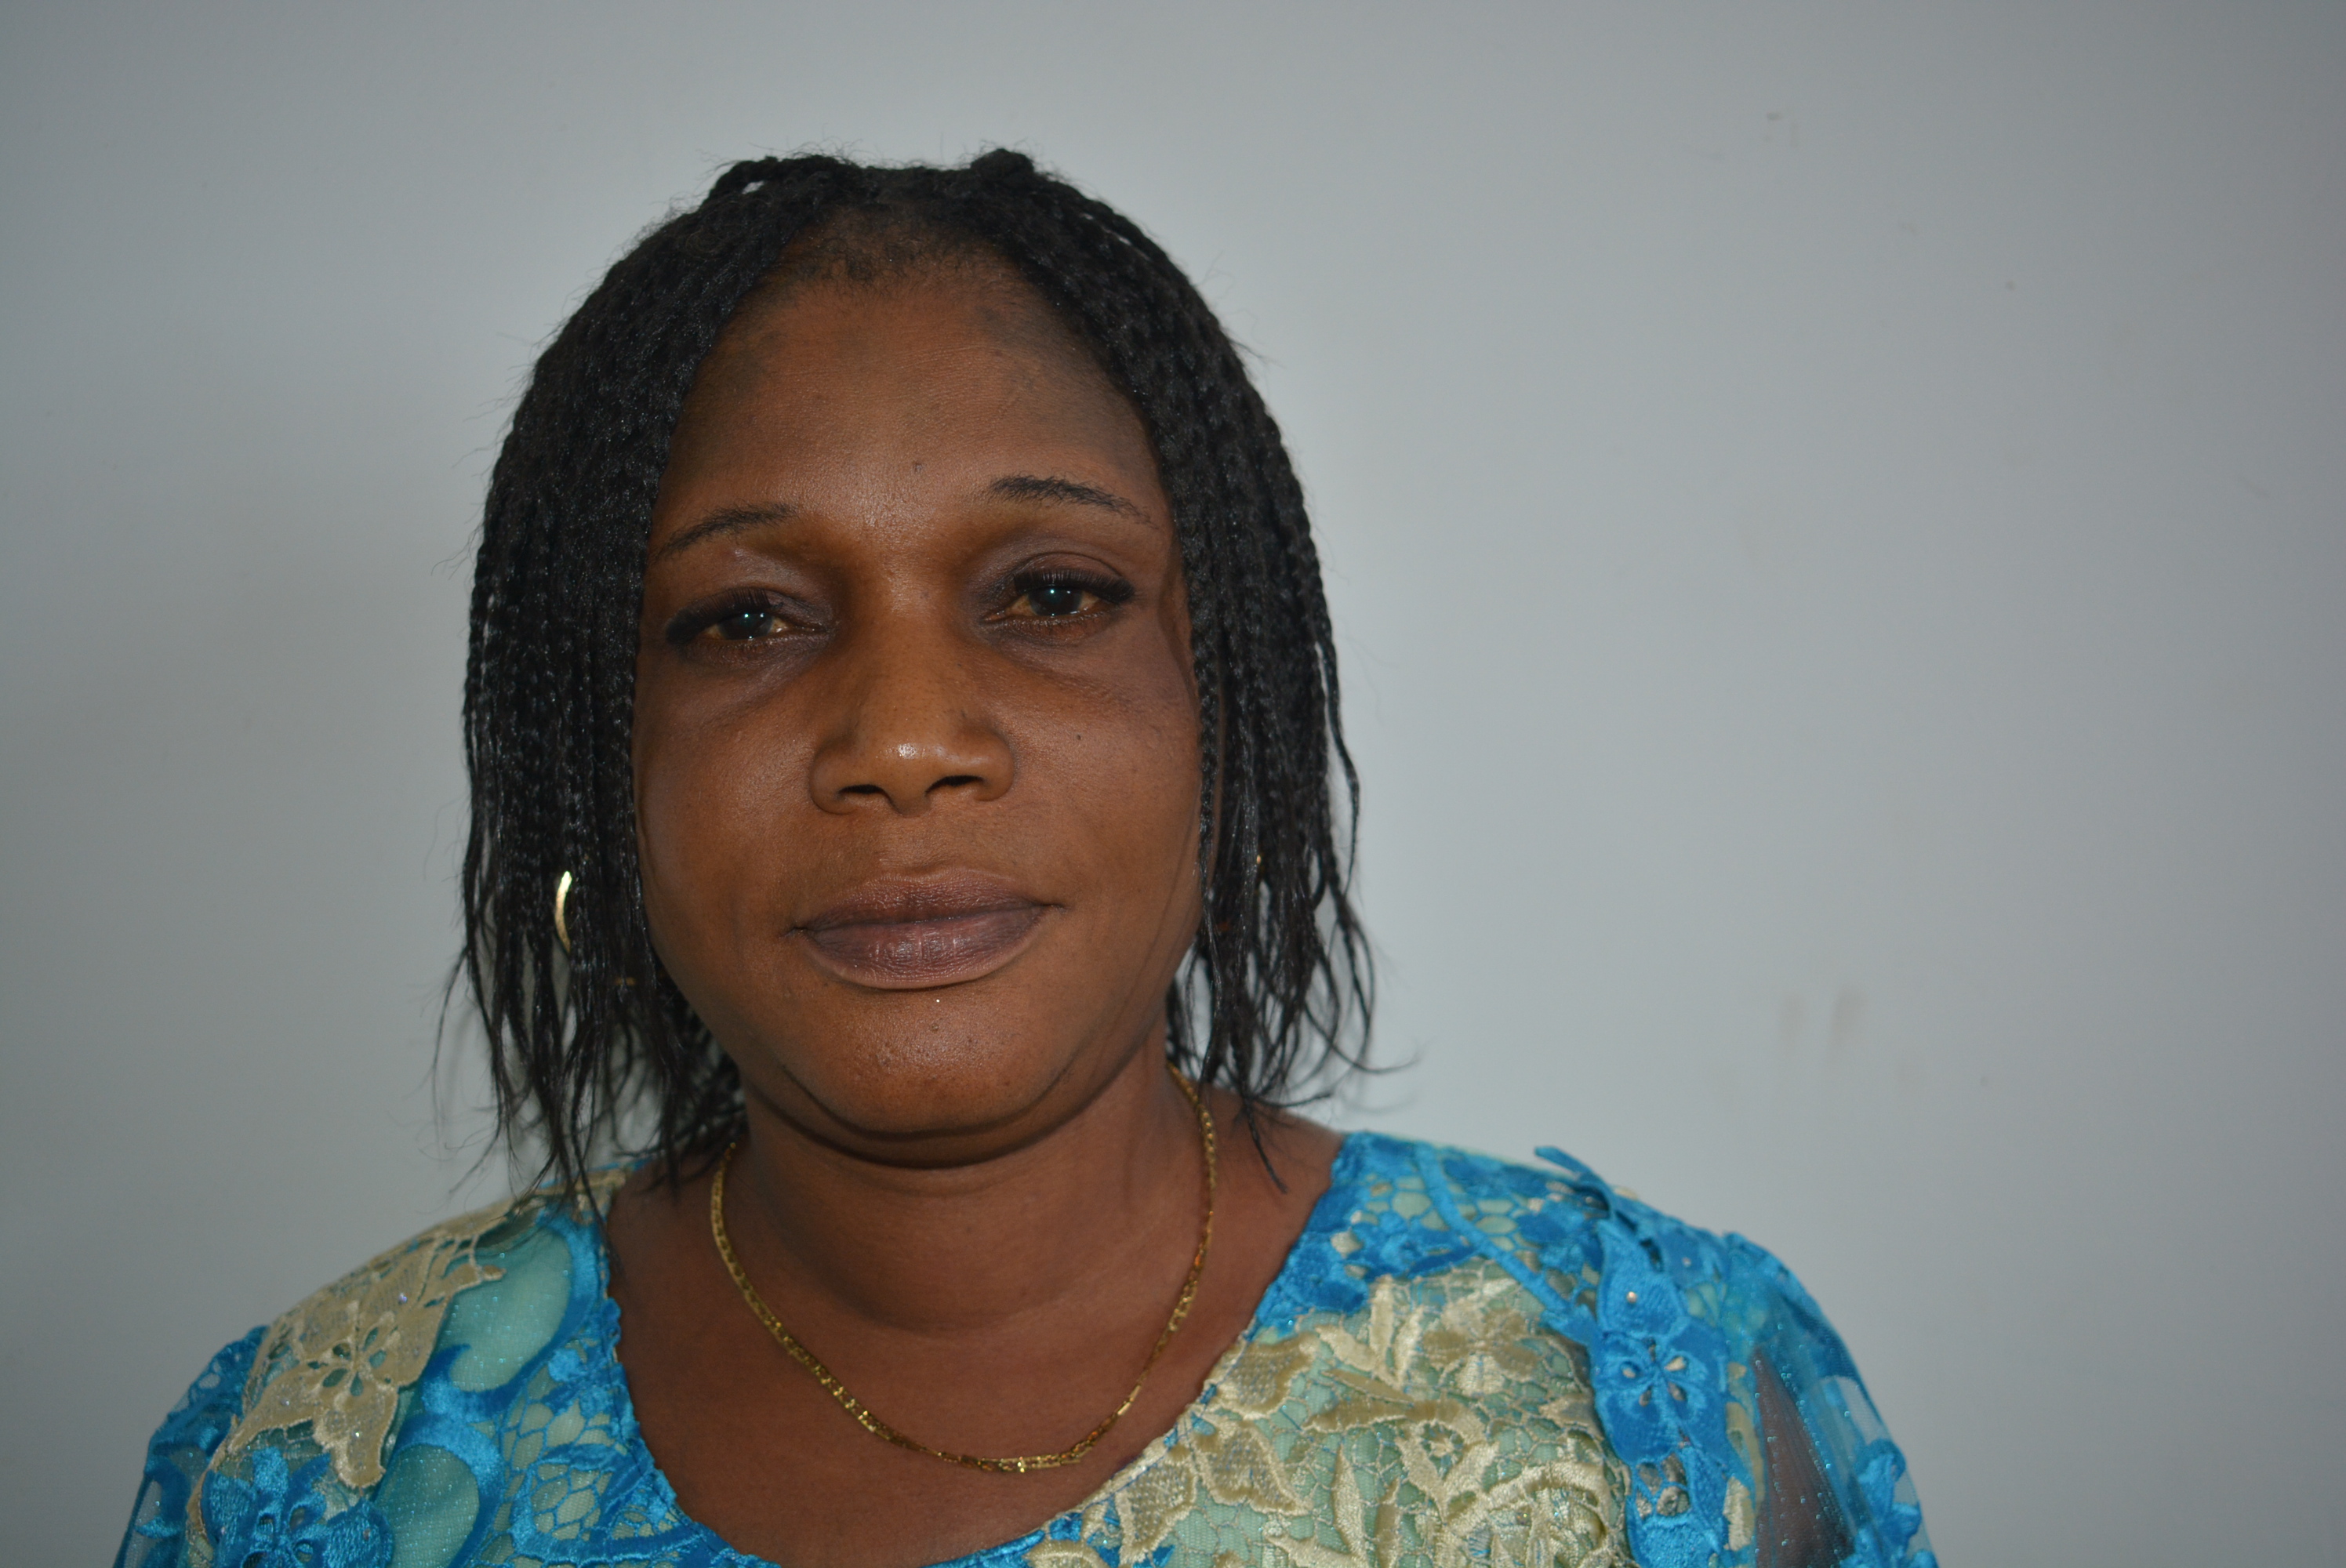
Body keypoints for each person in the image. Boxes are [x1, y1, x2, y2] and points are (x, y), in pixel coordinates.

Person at [115, 151, 1934, 1568]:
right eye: (746, 619)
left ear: (1224, 709)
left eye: (1051, 595)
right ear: (605, 769)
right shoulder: (317, 1462)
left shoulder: (1643, 1409)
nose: (905, 739)